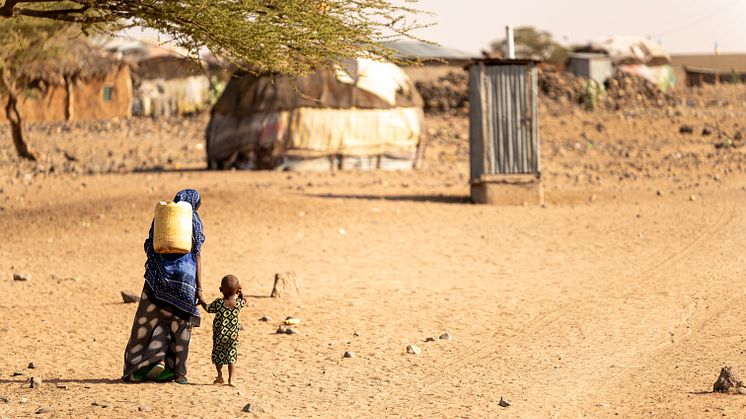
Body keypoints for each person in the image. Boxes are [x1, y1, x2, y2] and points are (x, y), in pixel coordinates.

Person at [122, 188, 206, 384]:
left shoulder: (161, 217)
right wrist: (199, 289)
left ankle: (137, 369)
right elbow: (198, 255)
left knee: (148, 321)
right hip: (185, 281)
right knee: (181, 325)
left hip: (159, 279)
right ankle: (178, 373)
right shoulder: (195, 221)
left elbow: (150, 245)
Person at [202, 274, 245, 386]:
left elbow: (207, 308)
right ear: (236, 290)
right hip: (233, 337)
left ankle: (220, 375)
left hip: (219, 337)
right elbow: (244, 300)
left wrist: (201, 300)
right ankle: (231, 379)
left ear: (221, 289)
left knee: (218, 355)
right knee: (231, 357)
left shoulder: (219, 303)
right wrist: (240, 293)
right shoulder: (237, 303)